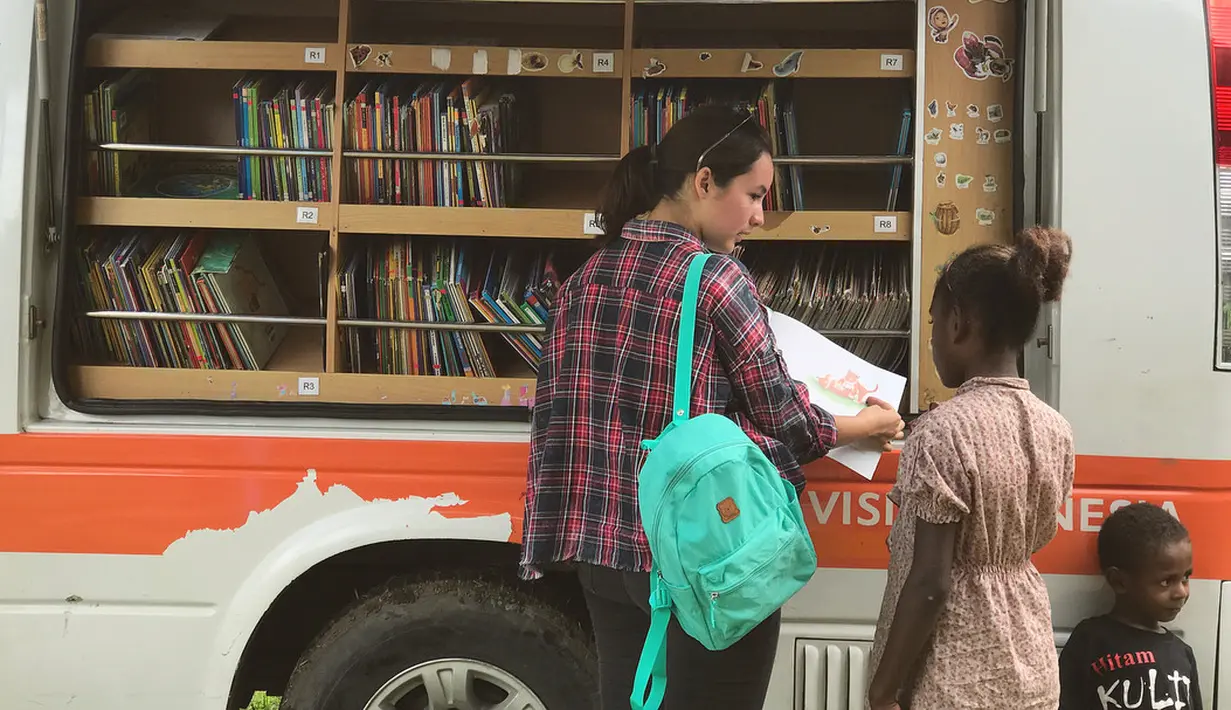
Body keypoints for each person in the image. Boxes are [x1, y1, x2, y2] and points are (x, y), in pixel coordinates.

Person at [517, 102, 905, 710]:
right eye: (754, 195)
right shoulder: (716, 280)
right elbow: (788, 421)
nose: (759, 216)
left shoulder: (584, 278)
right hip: (701, 554)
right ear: (704, 181)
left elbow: (556, 421)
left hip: (603, 552)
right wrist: (868, 423)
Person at [865, 227, 1076, 710]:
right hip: (1031, 668)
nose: (932, 338)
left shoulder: (942, 432)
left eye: (934, 322)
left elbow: (930, 583)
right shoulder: (1056, 429)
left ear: (959, 323)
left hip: (954, 678)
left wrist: (883, 688)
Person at [1058, 502, 1201, 710]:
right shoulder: (1090, 640)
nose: (1181, 592)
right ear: (1119, 582)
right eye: (1166, 581)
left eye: (1185, 578)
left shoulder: (1183, 654)